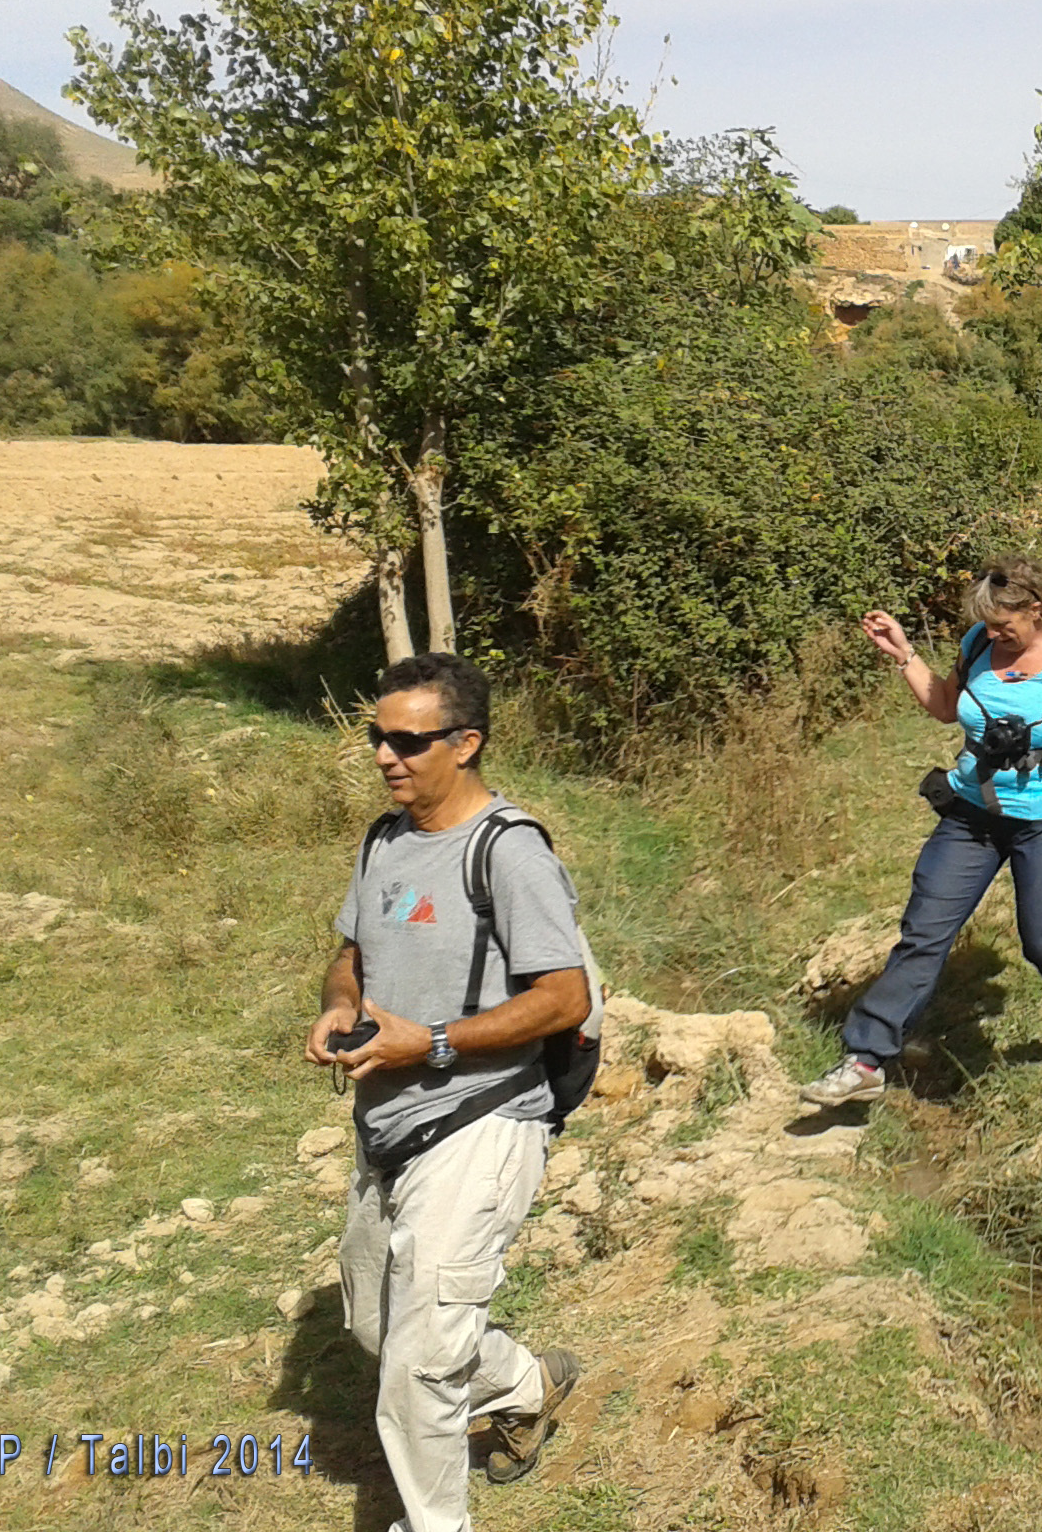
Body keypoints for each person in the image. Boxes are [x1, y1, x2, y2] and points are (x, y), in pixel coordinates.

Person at [304, 652, 589, 1532]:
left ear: (466, 743)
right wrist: (342, 1004)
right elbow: (351, 948)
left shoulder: (509, 851)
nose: (387, 756)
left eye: (408, 740)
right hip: (387, 1125)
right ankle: (522, 1382)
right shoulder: (384, 839)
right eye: (377, 737)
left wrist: (425, 1042)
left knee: (418, 1370)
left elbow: (563, 998)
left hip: (483, 1122)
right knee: (379, 1333)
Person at [801, 557, 1042, 1106]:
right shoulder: (977, 643)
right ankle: (866, 1060)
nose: (995, 634)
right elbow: (946, 707)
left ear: (1035, 609)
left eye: (1005, 625)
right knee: (924, 931)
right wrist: (905, 654)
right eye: (989, 625)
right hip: (972, 814)